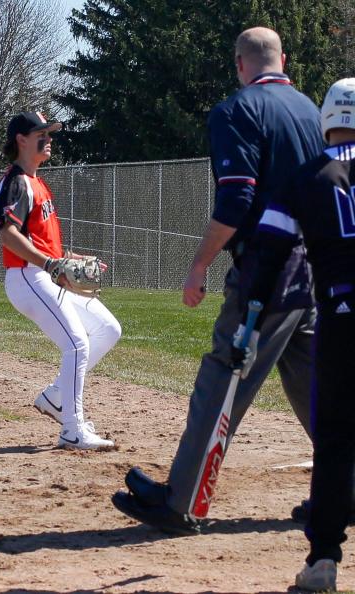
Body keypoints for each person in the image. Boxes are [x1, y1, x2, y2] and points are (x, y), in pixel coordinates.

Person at [111, 27, 323, 535]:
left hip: (266, 272)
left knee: (221, 381)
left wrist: (200, 263)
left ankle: (180, 502)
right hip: (313, 267)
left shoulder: (237, 110)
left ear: (239, 64)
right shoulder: (311, 111)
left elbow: (237, 201)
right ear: (283, 60)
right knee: (319, 386)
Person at [230, 78, 355, 592]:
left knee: (335, 441)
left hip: (342, 319)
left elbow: (270, 254)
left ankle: (323, 559)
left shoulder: (306, 178)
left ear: (325, 120)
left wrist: (250, 319)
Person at [0, 111, 122, 451]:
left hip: (45, 273)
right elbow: (8, 235)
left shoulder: (37, 182)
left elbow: (39, 238)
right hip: (28, 276)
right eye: (41, 133)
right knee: (77, 344)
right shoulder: (18, 181)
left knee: (108, 329)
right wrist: (51, 264)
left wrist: (67, 258)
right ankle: (72, 429)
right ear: (21, 139)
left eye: (50, 133)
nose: (49, 139)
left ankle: (55, 397)